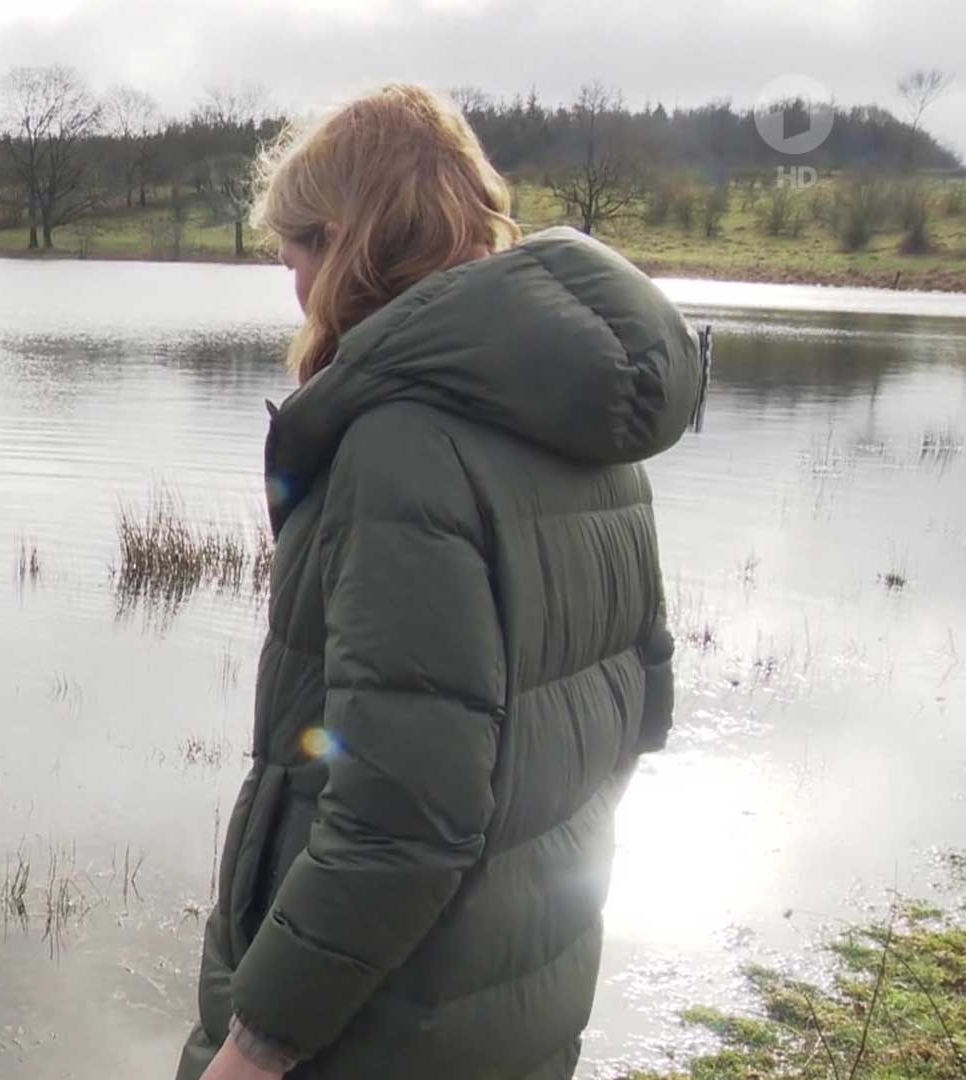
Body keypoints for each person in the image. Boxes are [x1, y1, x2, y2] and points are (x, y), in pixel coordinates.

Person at [179, 84, 698, 1080]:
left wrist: (257, 1043)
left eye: (293, 259)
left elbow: (403, 812)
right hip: (515, 993)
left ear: (343, 243)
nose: (292, 288)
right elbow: (642, 705)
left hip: (378, 1028)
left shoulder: (403, 444)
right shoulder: (588, 428)